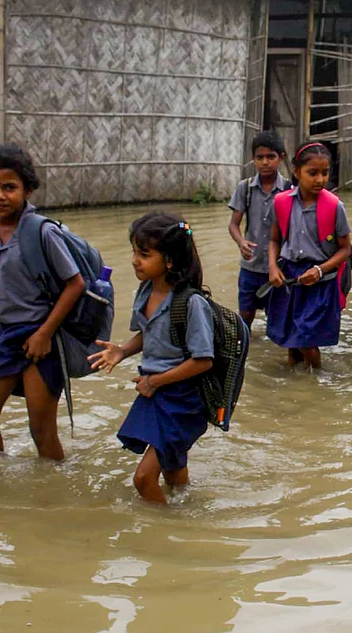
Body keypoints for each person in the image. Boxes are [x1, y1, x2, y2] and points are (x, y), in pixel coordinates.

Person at [0, 144, 83, 462]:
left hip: (43, 339)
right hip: (8, 336)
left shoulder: (42, 233)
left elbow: (75, 284)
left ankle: (54, 496)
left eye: (9, 188)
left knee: (41, 429)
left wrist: (44, 334)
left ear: (28, 190)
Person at [90, 211, 213, 504]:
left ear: (169, 260)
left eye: (143, 254)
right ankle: (186, 512)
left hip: (182, 399)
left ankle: (166, 531)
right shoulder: (146, 291)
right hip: (157, 393)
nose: (135, 260)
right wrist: (121, 350)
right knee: (173, 471)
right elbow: (151, 334)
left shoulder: (192, 303)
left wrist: (154, 381)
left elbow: (203, 360)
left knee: (143, 479)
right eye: (134, 251)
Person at [266, 143, 352, 368]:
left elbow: (345, 250)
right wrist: (273, 268)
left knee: (306, 340)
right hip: (291, 277)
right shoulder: (281, 202)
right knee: (291, 341)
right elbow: (275, 240)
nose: (320, 180)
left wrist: (320, 269)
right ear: (296, 172)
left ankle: (316, 383)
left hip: (319, 280)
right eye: (312, 173)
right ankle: (297, 386)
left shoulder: (335, 206)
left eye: (325, 173)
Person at [228, 131, 291, 327]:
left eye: (270, 157)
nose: (265, 162)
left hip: (280, 267)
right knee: (245, 315)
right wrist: (241, 242)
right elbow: (233, 225)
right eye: (260, 157)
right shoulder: (245, 188)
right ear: (253, 159)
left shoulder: (290, 189)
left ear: (281, 158)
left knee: (277, 319)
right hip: (250, 266)